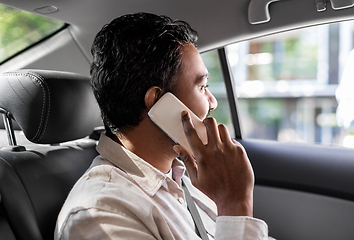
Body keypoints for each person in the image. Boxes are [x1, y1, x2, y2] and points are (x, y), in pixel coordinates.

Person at [55, 12, 270, 239]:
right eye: (202, 86)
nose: (212, 102)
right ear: (158, 101)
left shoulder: (180, 177)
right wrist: (236, 205)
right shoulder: (101, 214)